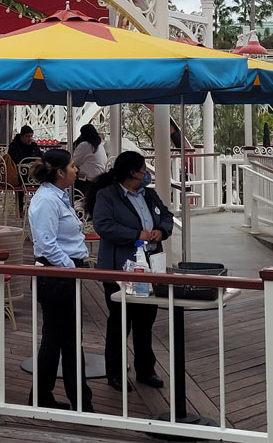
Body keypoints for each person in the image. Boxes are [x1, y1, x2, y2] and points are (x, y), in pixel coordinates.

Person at [87, 151, 173, 390]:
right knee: (119, 319)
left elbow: (166, 215)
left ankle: (146, 369)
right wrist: (136, 235)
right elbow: (103, 225)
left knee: (146, 319)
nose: (147, 173)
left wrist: (161, 231)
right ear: (133, 172)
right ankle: (114, 372)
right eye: (144, 169)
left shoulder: (150, 194)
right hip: (120, 266)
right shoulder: (108, 196)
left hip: (150, 265)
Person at [26, 149, 93, 412]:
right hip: (57, 274)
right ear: (60, 172)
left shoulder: (57, 197)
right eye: (73, 166)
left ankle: (44, 396)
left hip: (61, 272)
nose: (77, 170)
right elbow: (45, 243)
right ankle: (79, 401)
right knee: (64, 339)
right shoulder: (46, 201)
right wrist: (69, 268)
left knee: (58, 338)